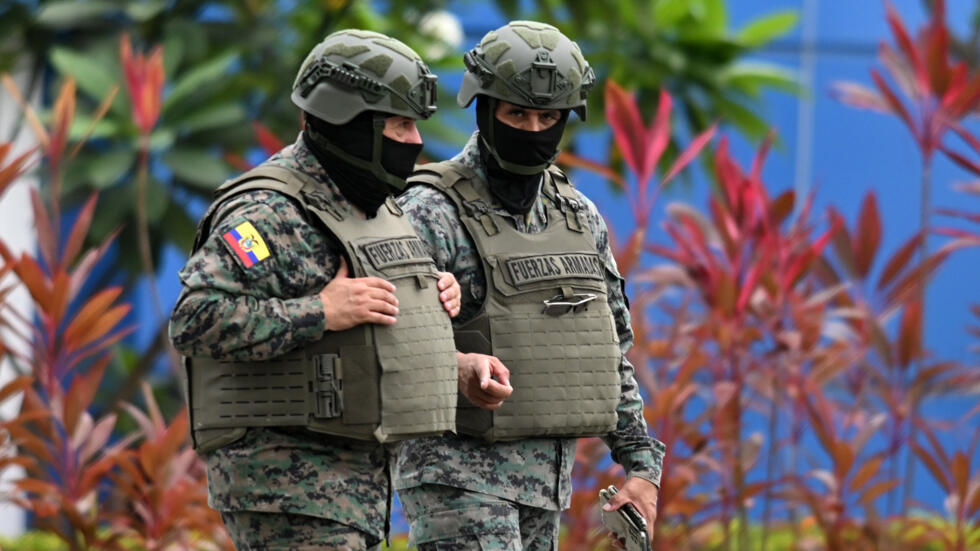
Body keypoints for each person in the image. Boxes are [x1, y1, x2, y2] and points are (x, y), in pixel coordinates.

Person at [169, 29, 464, 551]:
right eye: (398, 124)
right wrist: (319, 312)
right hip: (284, 486)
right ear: (350, 123)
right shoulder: (267, 212)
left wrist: (433, 305)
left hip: (355, 487)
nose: (415, 141)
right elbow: (195, 318)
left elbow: (373, 325)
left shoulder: (367, 204)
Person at [394, 20, 666, 550]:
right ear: (484, 108)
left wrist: (641, 466)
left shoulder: (578, 216)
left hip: (545, 486)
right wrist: (457, 367)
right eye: (517, 113)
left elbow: (609, 352)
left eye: (548, 117)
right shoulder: (429, 210)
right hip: (456, 478)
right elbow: (387, 339)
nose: (533, 128)